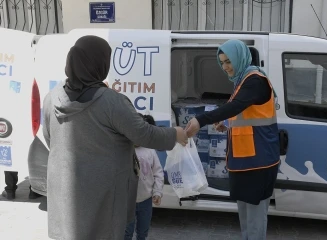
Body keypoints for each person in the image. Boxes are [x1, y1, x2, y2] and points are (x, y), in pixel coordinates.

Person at [42, 35, 188, 240]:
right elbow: (144, 134)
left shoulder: (53, 97)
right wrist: (176, 134)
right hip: (102, 193)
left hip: (65, 192)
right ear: (100, 63)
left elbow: (50, 139)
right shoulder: (111, 101)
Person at [185, 39, 280, 240]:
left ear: (240, 58)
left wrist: (201, 119)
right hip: (243, 161)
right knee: (245, 219)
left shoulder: (255, 80)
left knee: (254, 222)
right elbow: (245, 113)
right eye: (222, 63)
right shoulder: (242, 81)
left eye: (229, 61)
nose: (226, 67)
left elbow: (236, 106)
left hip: (258, 162)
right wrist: (226, 123)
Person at [125, 114, 164, 240]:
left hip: (146, 200)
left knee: (143, 232)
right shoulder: (123, 150)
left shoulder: (150, 151)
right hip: (127, 201)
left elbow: (158, 173)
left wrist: (157, 192)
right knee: (126, 233)